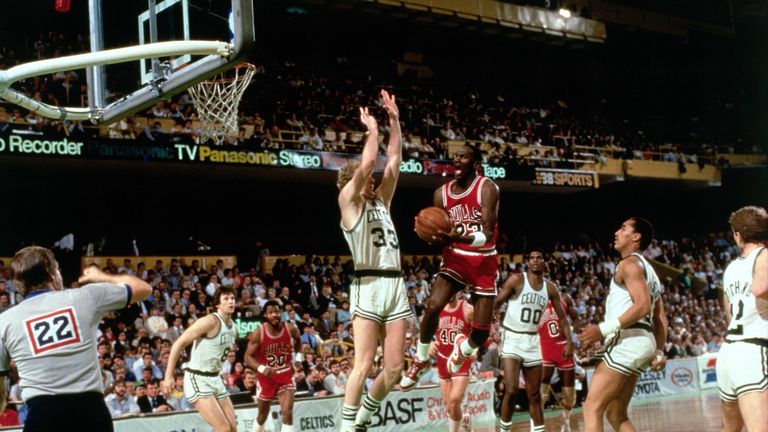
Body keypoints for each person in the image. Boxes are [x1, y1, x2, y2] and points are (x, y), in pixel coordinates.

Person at [0, 246, 151, 431]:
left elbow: (1, 386)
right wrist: (104, 276)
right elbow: (144, 289)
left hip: (42, 416)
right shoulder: (85, 297)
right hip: (90, 414)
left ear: (18, 283)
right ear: (53, 274)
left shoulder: (4, 321)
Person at [337, 90, 408, 432]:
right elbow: (368, 164)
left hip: (395, 283)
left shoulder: (382, 201)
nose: (372, 179)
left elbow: (393, 160)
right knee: (363, 363)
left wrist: (394, 120)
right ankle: (346, 427)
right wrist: (372, 132)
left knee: (394, 368)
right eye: (364, 179)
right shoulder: (348, 203)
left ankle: (364, 416)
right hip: (367, 283)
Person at [401, 144, 500, 390]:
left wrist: (459, 238)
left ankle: (463, 350)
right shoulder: (441, 194)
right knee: (433, 305)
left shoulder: (487, 188)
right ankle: (421, 359)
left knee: (480, 334)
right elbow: (442, 232)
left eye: (463, 156)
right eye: (454, 156)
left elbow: (487, 234)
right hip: (456, 258)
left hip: (483, 260)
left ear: (475, 163)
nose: (456, 159)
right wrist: (433, 235)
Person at [578, 217, 667, 432]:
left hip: (628, 340)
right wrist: (658, 351)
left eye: (623, 228)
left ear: (636, 237)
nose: (617, 232)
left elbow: (643, 306)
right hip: (642, 342)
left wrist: (601, 329)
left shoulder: (629, 264)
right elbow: (660, 318)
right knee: (616, 414)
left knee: (591, 408)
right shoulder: (650, 271)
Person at [494, 250, 570, 432]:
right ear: (528, 262)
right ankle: (504, 430)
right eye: (532, 258)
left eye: (539, 257)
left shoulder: (550, 288)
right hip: (512, 337)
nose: (536, 260)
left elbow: (562, 318)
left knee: (535, 395)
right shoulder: (516, 280)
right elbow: (496, 303)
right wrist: (491, 326)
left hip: (533, 341)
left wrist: (570, 340)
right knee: (511, 389)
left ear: (544, 262)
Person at [717, 206, 768, 432]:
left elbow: (729, 313)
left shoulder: (732, 268)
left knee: (731, 428)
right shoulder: (765, 255)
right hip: (752, 352)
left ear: (737, 234)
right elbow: (759, 289)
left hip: (729, 352)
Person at [162, 287, 238, 432]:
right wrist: (168, 375)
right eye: (226, 299)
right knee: (223, 429)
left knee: (232, 429)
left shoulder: (233, 328)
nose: (231, 302)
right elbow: (178, 343)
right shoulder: (210, 321)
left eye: (232, 298)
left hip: (216, 379)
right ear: (217, 304)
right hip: (198, 378)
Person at [244, 300, 301, 432]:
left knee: (287, 412)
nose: (274, 315)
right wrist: (263, 369)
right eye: (271, 312)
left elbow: (298, 340)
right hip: (266, 377)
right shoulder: (259, 333)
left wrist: (298, 359)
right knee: (262, 416)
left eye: (277, 311)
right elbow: (247, 357)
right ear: (265, 315)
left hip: (285, 374)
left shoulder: (291, 328)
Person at [538, 291, 581, 432]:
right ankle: (537, 425)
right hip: (545, 349)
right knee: (540, 394)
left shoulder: (565, 298)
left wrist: (571, 335)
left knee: (570, 397)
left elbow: (577, 319)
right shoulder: (534, 300)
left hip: (564, 348)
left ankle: (565, 416)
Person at [434, 291, 474, 432]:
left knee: (455, 399)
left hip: (461, 359)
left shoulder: (468, 309)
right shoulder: (437, 308)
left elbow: (480, 333)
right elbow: (426, 330)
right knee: (448, 405)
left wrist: (475, 348)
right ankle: (464, 419)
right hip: (442, 359)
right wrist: (429, 344)